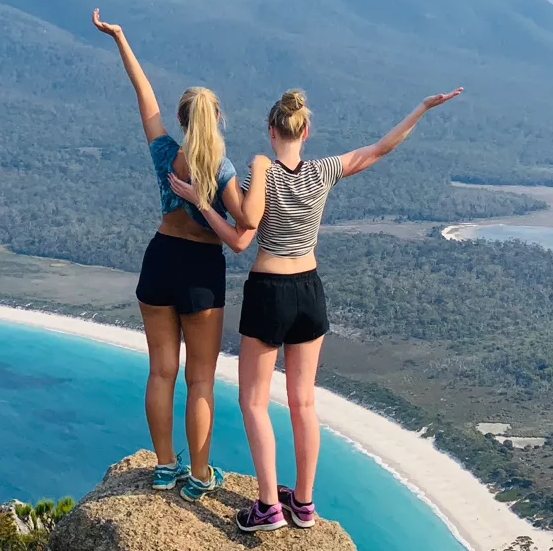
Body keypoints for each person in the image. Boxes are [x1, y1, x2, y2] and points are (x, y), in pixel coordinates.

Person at [169, 86, 462, 532]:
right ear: (306, 130)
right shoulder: (324, 171)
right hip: (310, 289)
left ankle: (268, 506)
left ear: (271, 131)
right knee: (304, 402)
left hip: (269, 289)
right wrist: (421, 107)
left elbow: (242, 231)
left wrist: (202, 201)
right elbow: (380, 148)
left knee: (253, 401)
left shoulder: (261, 171)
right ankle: (303, 504)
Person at [92, 9, 267, 503]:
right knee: (201, 379)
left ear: (183, 120)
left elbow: (143, 95)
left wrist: (121, 39)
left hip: (159, 261)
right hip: (200, 273)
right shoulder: (222, 167)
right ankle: (200, 473)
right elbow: (243, 225)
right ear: (218, 121)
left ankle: (165, 466)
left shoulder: (165, 151)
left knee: (161, 372)